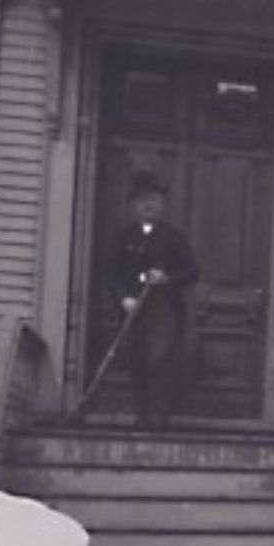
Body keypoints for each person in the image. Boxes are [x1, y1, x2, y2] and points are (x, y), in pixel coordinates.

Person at [112, 172, 199, 428]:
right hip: (133, 309)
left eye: (153, 200)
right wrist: (124, 298)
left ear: (162, 204)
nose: (147, 205)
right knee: (137, 360)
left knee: (159, 361)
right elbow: (112, 274)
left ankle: (158, 420)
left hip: (164, 309)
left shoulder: (174, 238)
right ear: (133, 206)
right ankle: (141, 418)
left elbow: (193, 270)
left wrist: (167, 278)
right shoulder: (124, 238)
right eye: (141, 200)